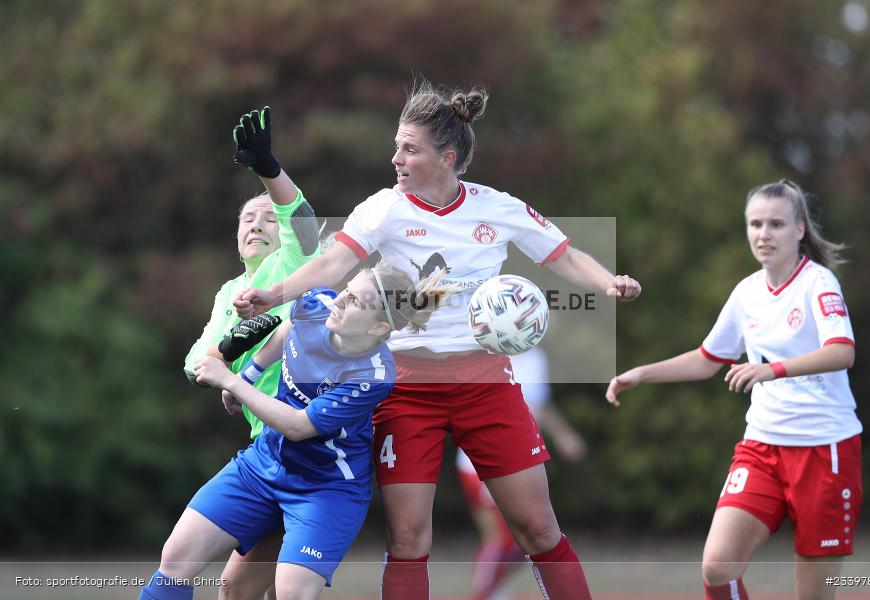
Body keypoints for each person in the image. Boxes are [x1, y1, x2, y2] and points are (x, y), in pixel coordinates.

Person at [233, 78, 641, 600]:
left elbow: (562, 254)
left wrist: (608, 282)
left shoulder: (496, 208)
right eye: (397, 146)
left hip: (486, 383)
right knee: (407, 538)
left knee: (538, 530)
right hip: (404, 387)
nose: (396, 159)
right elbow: (334, 262)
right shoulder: (384, 208)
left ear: (447, 157)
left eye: (410, 149)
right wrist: (275, 292)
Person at [139, 262, 456, 600]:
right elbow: (291, 325)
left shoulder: (374, 374)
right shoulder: (317, 303)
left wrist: (230, 379)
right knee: (177, 558)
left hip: (326, 489)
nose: (341, 300)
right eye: (348, 290)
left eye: (356, 302)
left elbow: (298, 426)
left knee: (291, 594)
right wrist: (250, 372)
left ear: (379, 327)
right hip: (263, 465)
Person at [606, 179, 860, 600]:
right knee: (717, 566)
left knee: (814, 594)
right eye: (755, 224)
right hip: (762, 447)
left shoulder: (819, 283)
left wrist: (772, 370)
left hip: (824, 449)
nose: (764, 234)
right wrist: (641, 373)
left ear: (799, 229)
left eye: (776, 224)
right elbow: (708, 359)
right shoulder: (746, 292)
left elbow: (842, 351)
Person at [182, 106, 321, 600]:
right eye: (247, 217)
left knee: (271, 590)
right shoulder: (227, 293)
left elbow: (301, 219)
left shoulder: (294, 264)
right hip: (267, 445)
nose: (256, 223)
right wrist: (228, 345)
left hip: (314, 446)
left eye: (266, 217)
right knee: (235, 592)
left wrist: (268, 169)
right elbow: (197, 360)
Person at [456, 347, 587, 600]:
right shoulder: (483, 351)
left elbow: (539, 403)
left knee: (529, 537)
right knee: (502, 539)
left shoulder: (537, 357)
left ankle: (493, 590)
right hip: (480, 461)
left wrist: (563, 435)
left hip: (521, 456)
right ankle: (484, 594)